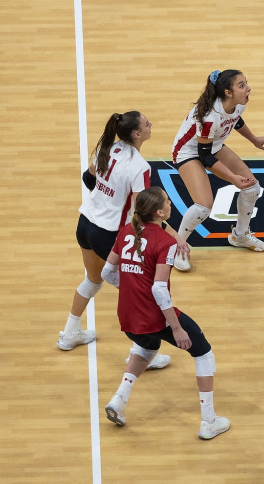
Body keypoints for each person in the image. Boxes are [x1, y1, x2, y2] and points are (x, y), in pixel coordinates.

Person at [100, 187, 230, 439]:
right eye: (168, 202)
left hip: (127, 315)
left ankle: (118, 400)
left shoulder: (126, 232)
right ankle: (209, 421)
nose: (171, 203)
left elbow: (107, 273)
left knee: (147, 347)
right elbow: (159, 289)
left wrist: (129, 289)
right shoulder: (166, 243)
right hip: (154, 315)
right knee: (202, 352)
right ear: (160, 212)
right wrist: (177, 328)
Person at [56, 110, 175, 371]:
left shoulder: (109, 148)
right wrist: (169, 237)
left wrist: (105, 201)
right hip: (107, 234)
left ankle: (70, 333)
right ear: (137, 134)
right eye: (147, 123)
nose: (151, 124)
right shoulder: (139, 167)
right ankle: (142, 354)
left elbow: (88, 178)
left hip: (85, 223)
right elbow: (142, 212)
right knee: (144, 294)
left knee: (93, 279)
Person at [170, 69, 264, 271]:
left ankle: (240, 235)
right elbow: (205, 156)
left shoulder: (238, 105)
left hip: (213, 146)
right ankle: (178, 247)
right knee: (203, 206)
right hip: (189, 152)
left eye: (246, 82)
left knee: (252, 188)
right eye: (242, 85)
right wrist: (232, 178)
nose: (248, 88)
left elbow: (236, 121)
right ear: (228, 92)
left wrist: (254, 140)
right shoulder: (210, 116)